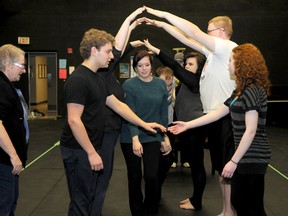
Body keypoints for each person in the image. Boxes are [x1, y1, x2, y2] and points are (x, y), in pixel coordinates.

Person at [60, 28, 166, 216]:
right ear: (94, 51)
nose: (112, 56)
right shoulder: (78, 79)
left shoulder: (97, 78)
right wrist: (91, 152)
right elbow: (74, 120)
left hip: (92, 146)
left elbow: (118, 106)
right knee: (80, 202)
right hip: (79, 150)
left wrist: (144, 124)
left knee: (91, 196)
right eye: (108, 51)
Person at [144, 8, 237, 216]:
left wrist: (164, 15)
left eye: (209, 30)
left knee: (228, 170)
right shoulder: (213, 53)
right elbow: (187, 39)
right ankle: (226, 210)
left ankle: (230, 210)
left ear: (221, 31)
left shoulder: (225, 47)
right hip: (213, 118)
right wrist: (162, 25)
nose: (206, 34)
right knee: (223, 169)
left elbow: (193, 32)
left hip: (225, 118)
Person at [169, 43, 271, 216]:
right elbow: (217, 113)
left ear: (242, 64)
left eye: (231, 60)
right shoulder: (239, 91)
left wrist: (233, 161)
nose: (228, 64)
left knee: (251, 207)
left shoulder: (252, 91)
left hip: (253, 157)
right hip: (243, 156)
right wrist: (187, 125)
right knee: (239, 202)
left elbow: (251, 130)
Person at [92, 8, 146, 216]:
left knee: (102, 176)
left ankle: (94, 210)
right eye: (107, 53)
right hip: (104, 131)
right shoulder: (101, 71)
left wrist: (131, 29)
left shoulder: (107, 70)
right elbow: (117, 47)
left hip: (110, 131)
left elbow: (119, 48)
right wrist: (129, 18)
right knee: (100, 178)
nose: (111, 56)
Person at [144, 39, 207, 210]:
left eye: (190, 64)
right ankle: (157, 192)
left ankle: (197, 201)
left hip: (194, 128)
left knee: (197, 165)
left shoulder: (196, 81)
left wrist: (156, 50)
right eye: (185, 63)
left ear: (200, 67)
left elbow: (174, 66)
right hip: (181, 127)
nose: (186, 66)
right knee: (168, 157)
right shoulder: (187, 83)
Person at [120, 49, 169, 216]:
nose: (144, 68)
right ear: (135, 67)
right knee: (134, 177)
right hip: (130, 136)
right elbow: (130, 114)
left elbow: (163, 113)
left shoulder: (160, 84)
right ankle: (137, 211)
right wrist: (135, 138)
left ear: (151, 65)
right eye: (139, 65)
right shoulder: (129, 85)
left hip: (152, 135)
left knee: (152, 175)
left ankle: (150, 210)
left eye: (147, 64)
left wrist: (164, 136)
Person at [0, 44, 29, 215]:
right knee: (5, 205)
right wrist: (13, 155)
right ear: (8, 65)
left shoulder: (7, 86)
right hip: (4, 161)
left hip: (7, 162)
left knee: (10, 202)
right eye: (22, 65)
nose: (24, 70)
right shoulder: (2, 87)